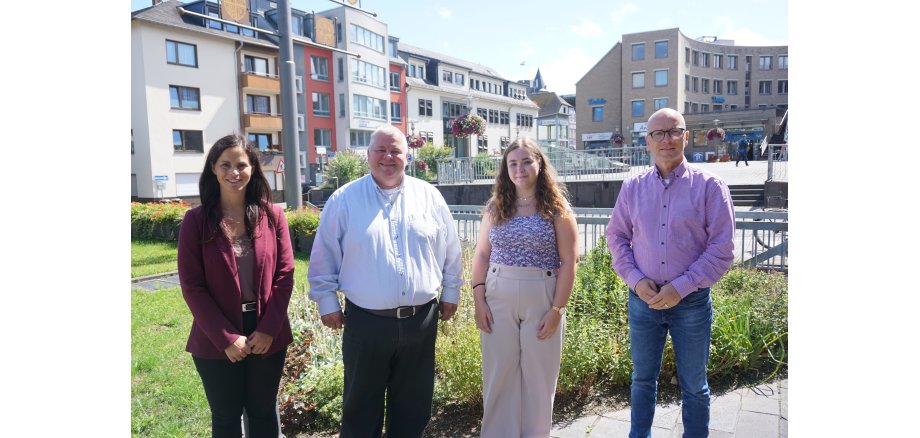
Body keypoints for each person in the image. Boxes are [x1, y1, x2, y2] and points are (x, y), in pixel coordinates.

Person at [307, 125, 463, 437]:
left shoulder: (429, 197)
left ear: (408, 157)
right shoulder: (344, 199)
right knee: (360, 409)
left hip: (421, 320)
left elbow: (451, 248)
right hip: (366, 323)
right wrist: (326, 302)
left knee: (413, 408)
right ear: (368, 155)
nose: (388, 157)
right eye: (380, 150)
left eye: (395, 151)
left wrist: (451, 291)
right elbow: (323, 255)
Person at [605, 108, 735, 438]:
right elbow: (616, 236)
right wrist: (635, 280)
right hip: (643, 302)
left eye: (674, 131)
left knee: (694, 386)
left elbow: (722, 249)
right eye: (658, 134)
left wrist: (681, 286)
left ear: (686, 136)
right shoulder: (633, 187)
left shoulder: (710, 187)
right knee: (642, 380)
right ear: (647, 141)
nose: (667, 140)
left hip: (690, 303)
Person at [177, 134, 295, 438]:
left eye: (241, 164)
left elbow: (285, 274)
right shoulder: (196, 220)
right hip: (216, 336)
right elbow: (192, 286)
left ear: (253, 168)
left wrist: (269, 328)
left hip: (267, 332)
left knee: (263, 413)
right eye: (225, 165)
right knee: (226, 418)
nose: (234, 172)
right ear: (213, 170)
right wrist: (227, 338)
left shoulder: (274, 216)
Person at [470, 138, 579, 437]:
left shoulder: (557, 207)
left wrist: (557, 310)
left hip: (542, 296)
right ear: (506, 169)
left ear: (539, 164)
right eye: (512, 163)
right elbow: (481, 254)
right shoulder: (496, 206)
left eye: (526, 161)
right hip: (497, 295)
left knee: (539, 379)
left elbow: (570, 262)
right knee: (498, 375)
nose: (519, 169)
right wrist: (479, 301)